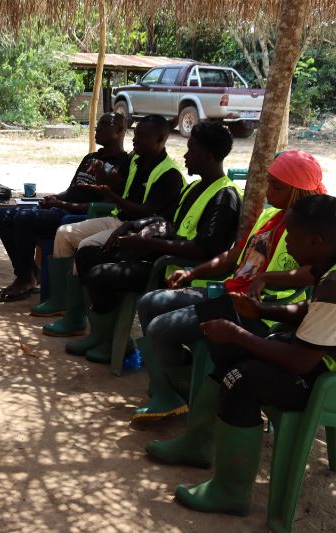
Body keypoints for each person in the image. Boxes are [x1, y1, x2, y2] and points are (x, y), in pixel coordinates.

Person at [150, 195, 336, 517]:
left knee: (241, 379)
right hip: (331, 356)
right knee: (232, 347)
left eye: (291, 235)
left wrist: (237, 333)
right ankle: (197, 443)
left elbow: (301, 361)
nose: (286, 241)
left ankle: (231, 492)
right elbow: (314, 311)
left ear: (316, 240)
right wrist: (263, 311)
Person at [133, 150, 324, 423]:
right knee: (149, 303)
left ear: (297, 192)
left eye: (277, 186)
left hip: (261, 308)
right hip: (229, 292)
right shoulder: (269, 217)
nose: (268, 191)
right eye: (268, 183)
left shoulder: (311, 230)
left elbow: (313, 272)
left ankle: (183, 393)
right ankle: (172, 389)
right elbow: (235, 255)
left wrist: (268, 278)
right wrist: (192, 272)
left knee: (160, 328)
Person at [65, 122, 242, 363]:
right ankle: (102, 334)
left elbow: (204, 249)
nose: (185, 156)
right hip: (163, 258)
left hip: (178, 271)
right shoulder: (195, 187)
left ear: (208, 156)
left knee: (100, 275)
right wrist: (133, 225)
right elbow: (168, 220)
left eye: (191, 150)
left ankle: (114, 342)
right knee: (87, 254)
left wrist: (150, 245)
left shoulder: (225, 196)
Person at [41, 114, 185, 337]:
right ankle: (63, 305)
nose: (134, 139)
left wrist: (111, 195)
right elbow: (115, 181)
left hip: (139, 232)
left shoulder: (170, 175)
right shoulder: (135, 159)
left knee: (86, 246)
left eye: (142, 136)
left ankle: (87, 320)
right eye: (135, 134)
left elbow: (145, 212)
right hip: (118, 220)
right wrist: (102, 174)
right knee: (64, 233)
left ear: (160, 139)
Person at [0, 112, 130, 302]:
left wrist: (61, 204)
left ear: (120, 131)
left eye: (105, 124)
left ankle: (24, 279)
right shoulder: (90, 157)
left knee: (24, 218)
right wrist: (54, 198)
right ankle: (30, 272)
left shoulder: (122, 165)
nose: (97, 127)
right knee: (1, 215)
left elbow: (103, 206)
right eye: (98, 123)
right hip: (60, 209)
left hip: (79, 218)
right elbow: (72, 190)